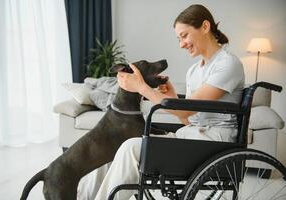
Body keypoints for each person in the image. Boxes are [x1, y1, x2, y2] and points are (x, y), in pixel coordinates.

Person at [79, 4, 245, 200]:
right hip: (192, 138)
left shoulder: (227, 63)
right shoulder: (194, 71)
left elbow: (187, 112)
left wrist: (141, 87)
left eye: (184, 35)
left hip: (215, 143)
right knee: (116, 144)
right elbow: (188, 119)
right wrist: (173, 97)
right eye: (179, 38)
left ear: (205, 26)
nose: (181, 44)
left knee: (131, 148)